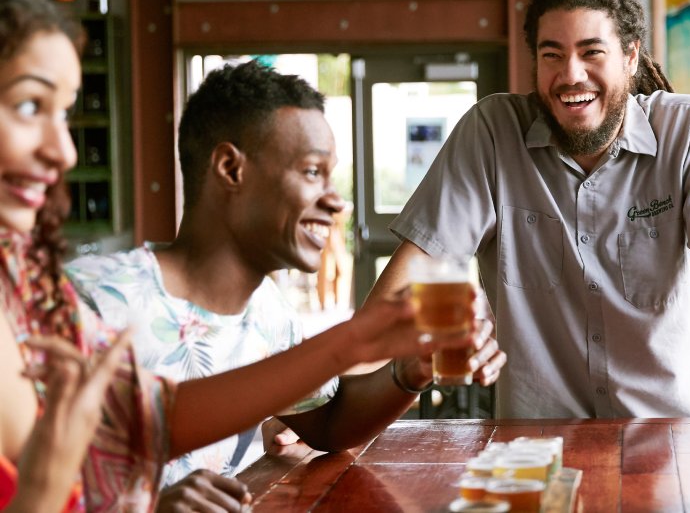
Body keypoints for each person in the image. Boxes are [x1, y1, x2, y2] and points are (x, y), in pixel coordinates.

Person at [0, 0, 466, 511]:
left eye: (64, 114)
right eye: (30, 106)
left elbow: (150, 421)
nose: (64, 151)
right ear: (229, 169)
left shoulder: (27, 284)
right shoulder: (93, 296)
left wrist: (393, 361)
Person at [67, 62, 507, 511]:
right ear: (230, 169)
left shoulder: (266, 311)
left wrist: (409, 372)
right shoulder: (94, 299)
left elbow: (329, 422)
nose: (335, 201)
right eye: (312, 172)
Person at [371, 0, 690, 418]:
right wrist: (331, 395)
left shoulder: (688, 130)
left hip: (675, 440)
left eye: (592, 52)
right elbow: (391, 305)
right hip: (537, 449)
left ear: (630, 57)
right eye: (552, 54)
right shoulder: (492, 135)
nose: (570, 74)